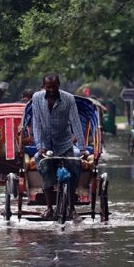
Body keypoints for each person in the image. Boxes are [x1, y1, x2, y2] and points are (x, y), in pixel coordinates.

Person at [32, 74, 86, 219]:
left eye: (54, 87)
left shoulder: (68, 99)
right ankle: (49, 208)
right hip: (45, 145)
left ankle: (72, 208)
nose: (51, 90)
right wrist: (40, 146)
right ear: (43, 86)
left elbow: (75, 122)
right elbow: (36, 123)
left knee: (74, 168)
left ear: (58, 85)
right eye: (48, 87)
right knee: (46, 169)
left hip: (64, 142)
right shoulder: (37, 98)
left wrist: (81, 148)